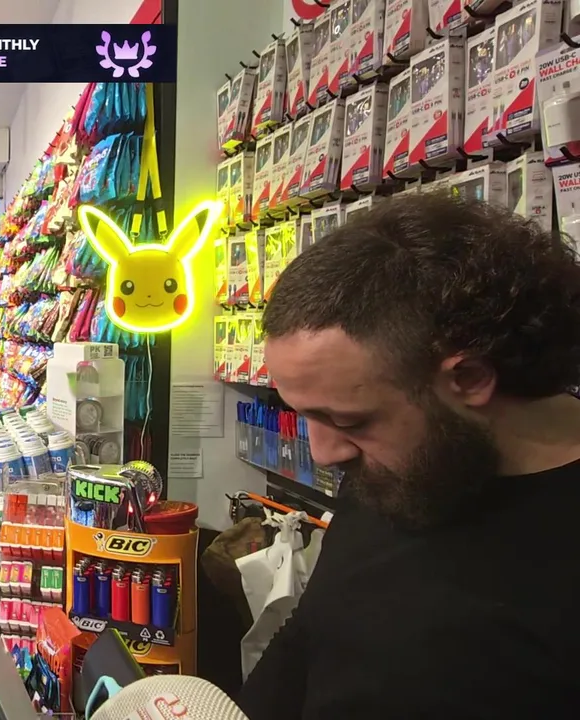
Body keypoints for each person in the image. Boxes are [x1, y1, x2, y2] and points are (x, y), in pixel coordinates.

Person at [238, 194, 580, 719]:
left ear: (470, 378)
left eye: (349, 421)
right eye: (303, 413)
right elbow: (316, 630)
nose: (324, 453)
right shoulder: (398, 466)